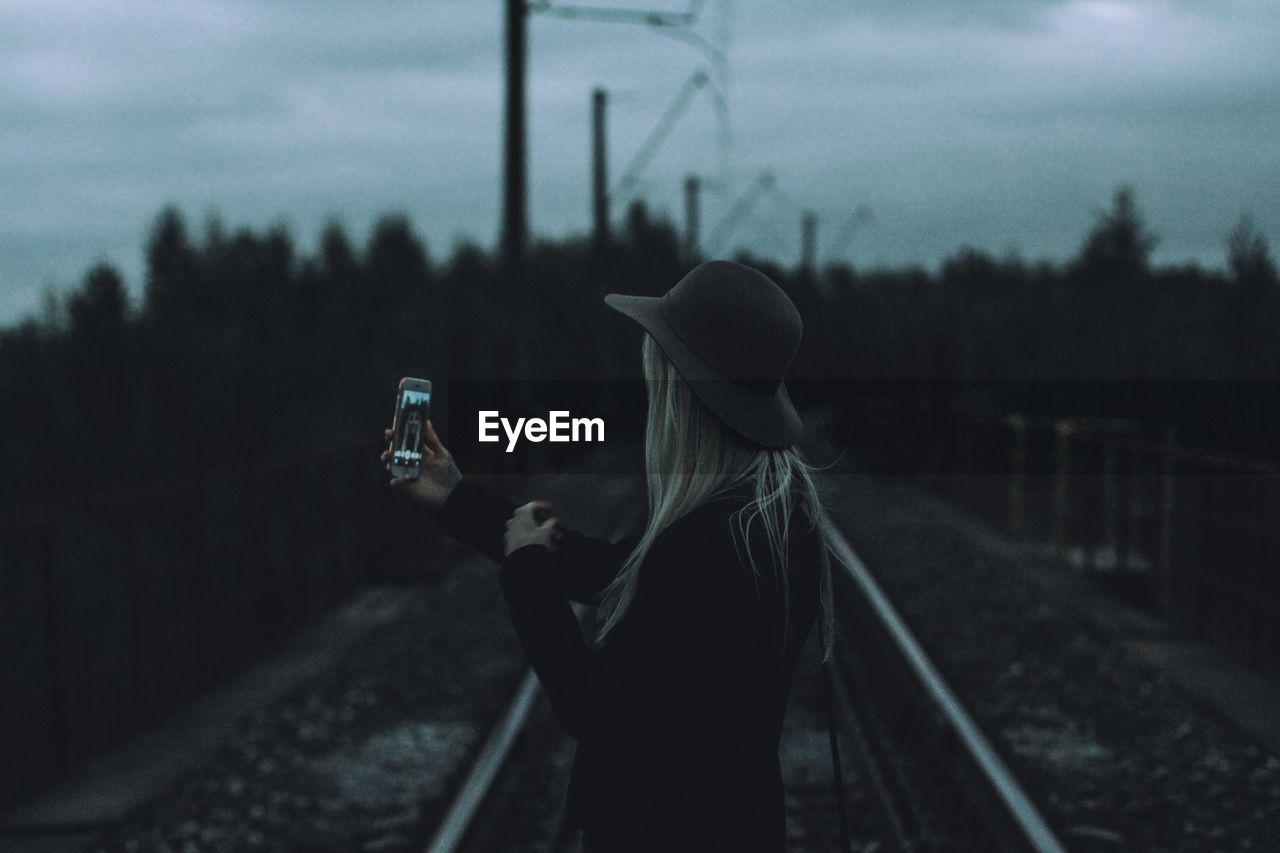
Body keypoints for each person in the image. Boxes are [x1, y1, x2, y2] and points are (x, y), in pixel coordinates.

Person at [381, 260, 832, 852]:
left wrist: (529, 574)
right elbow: (633, 579)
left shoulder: (711, 542)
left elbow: (595, 708)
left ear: (682, 392)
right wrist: (457, 499)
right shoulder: (767, 516)